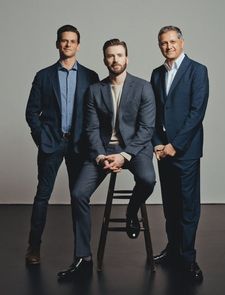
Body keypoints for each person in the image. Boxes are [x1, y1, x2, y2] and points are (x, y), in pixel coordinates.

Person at [57, 38, 156, 280]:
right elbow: (91, 128)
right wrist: (101, 156)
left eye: (119, 55)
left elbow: (146, 128)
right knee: (79, 194)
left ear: (127, 58)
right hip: (103, 150)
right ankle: (83, 257)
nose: (115, 60)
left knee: (148, 179)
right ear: (105, 60)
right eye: (110, 56)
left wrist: (124, 155)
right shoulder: (94, 90)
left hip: (135, 149)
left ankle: (132, 212)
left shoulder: (143, 87)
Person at [25, 24, 99, 265]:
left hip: (78, 146)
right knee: (42, 197)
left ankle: (81, 254)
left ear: (78, 45)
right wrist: (41, 137)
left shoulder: (91, 77)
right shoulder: (43, 76)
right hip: (51, 145)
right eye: (63, 40)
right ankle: (33, 248)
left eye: (72, 41)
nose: (68, 44)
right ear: (57, 44)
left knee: (78, 198)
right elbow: (31, 112)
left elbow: (96, 114)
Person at [151, 26, 209, 282]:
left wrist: (176, 145)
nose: (169, 46)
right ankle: (173, 249)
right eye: (164, 43)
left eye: (173, 41)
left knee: (187, 207)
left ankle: (188, 258)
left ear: (182, 43)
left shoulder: (198, 71)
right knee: (170, 205)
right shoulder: (156, 74)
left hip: (185, 152)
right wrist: (157, 144)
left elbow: (197, 112)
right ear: (160, 45)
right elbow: (151, 113)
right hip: (164, 151)